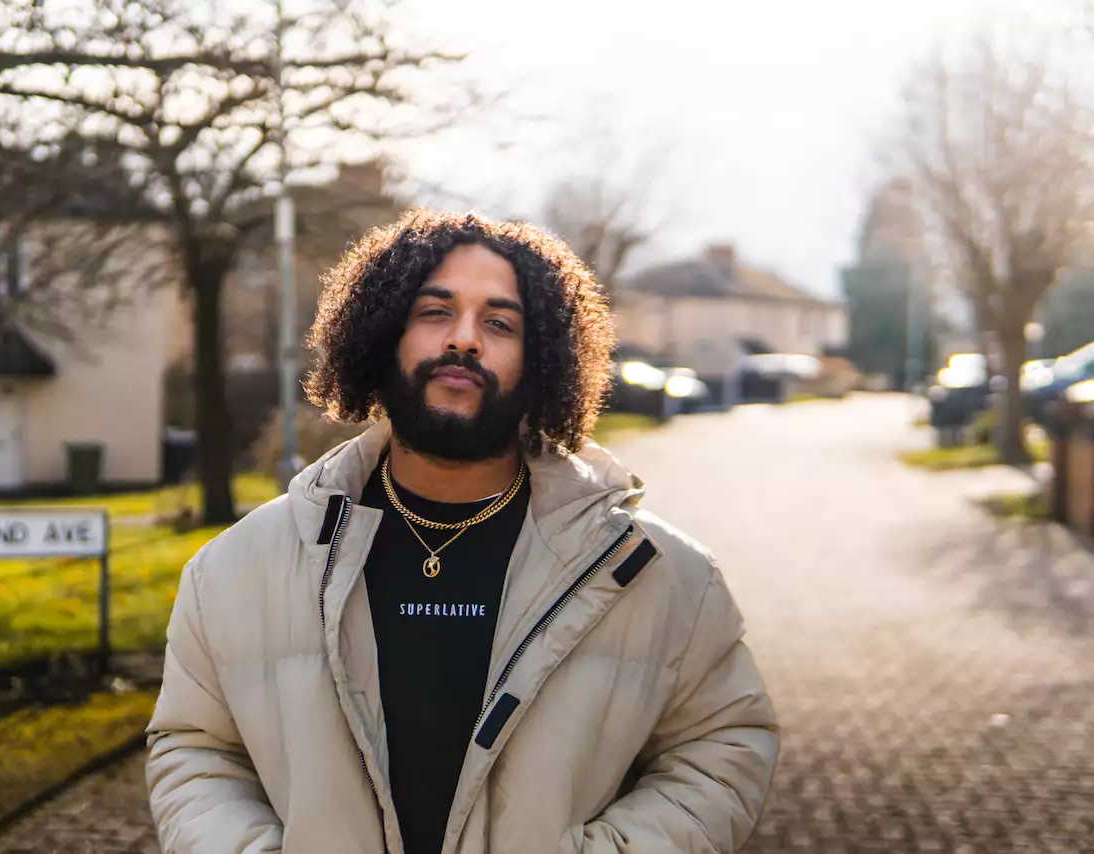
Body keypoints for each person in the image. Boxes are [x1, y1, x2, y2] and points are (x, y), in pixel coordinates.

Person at [145, 209, 779, 854]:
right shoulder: (236, 569)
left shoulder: (661, 576)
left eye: (499, 323)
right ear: (381, 335)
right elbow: (196, 749)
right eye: (435, 312)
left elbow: (721, 746)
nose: (465, 340)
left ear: (543, 363)